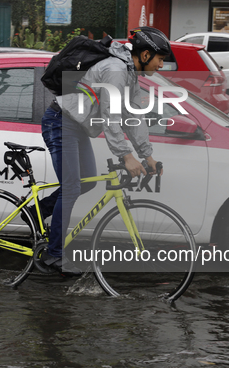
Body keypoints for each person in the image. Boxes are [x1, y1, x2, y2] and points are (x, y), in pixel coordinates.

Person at [37, 27, 169, 276]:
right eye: (160, 59)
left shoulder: (129, 74)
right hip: (60, 121)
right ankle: (53, 256)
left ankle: (38, 211)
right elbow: (111, 117)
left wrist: (146, 154)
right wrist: (126, 155)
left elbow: (132, 116)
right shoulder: (115, 71)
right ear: (145, 55)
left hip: (76, 126)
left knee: (84, 182)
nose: (162, 65)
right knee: (73, 186)